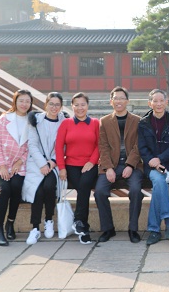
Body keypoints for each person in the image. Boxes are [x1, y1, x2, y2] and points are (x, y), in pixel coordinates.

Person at [95, 87, 143, 243]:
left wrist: (130, 165)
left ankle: (133, 229)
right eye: (116, 98)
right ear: (111, 101)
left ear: (127, 101)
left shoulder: (137, 120)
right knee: (99, 192)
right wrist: (108, 167)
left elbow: (138, 146)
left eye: (122, 98)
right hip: (111, 165)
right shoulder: (104, 121)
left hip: (132, 165)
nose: (119, 101)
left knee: (135, 191)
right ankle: (108, 229)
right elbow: (103, 146)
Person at [22, 92, 68, 245]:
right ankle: (35, 228)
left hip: (54, 163)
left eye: (57, 104)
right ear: (46, 104)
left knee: (49, 186)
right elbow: (32, 144)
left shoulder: (64, 122)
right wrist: (42, 164)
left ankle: (49, 220)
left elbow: (63, 145)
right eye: (51, 104)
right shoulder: (36, 121)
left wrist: (52, 162)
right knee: (37, 191)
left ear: (61, 106)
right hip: (36, 163)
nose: (54, 107)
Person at [139, 89, 169, 246]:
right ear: (149, 103)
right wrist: (153, 161)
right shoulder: (143, 123)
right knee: (158, 180)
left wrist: (160, 159)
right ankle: (167, 220)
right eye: (155, 101)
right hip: (151, 165)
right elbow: (142, 147)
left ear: (166, 102)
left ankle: (154, 230)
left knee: (159, 185)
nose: (158, 104)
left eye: (161, 100)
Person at [0, 89, 33, 246]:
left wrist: (20, 161)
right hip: (1, 164)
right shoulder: (4, 119)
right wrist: (2, 166)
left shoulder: (31, 121)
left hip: (20, 165)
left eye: (27, 101)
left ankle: (10, 223)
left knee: (16, 187)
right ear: (15, 101)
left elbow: (32, 146)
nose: (24, 104)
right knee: (5, 189)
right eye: (21, 100)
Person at [56, 92, 100, 244]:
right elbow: (58, 147)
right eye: (76, 105)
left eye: (83, 104)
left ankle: (79, 220)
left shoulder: (95, 123)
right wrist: (61, 167)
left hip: (90, 164)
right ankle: (82, 226)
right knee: (83, 188)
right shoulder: (66, 124)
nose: (80, 108)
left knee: (85, 184)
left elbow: (99, 145)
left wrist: (92, 161)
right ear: (72, 106)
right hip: (71, 165)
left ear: (87, 106)